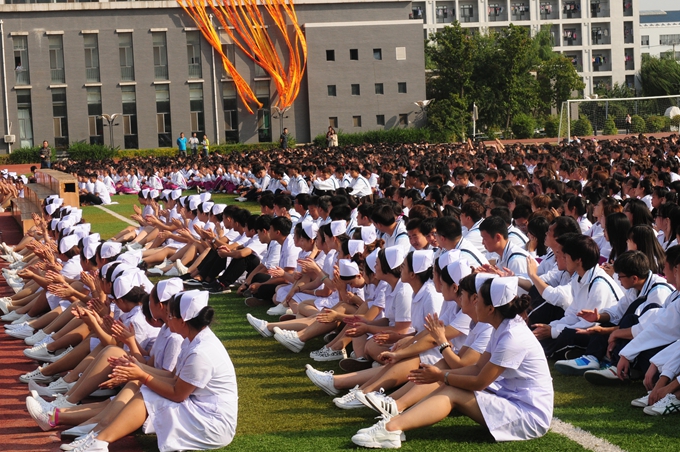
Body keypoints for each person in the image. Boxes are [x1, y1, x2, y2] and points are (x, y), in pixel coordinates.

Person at [350, 277, 553, 448]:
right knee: (449, 383)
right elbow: (476, 368)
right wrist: (441, 375)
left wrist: (441, 375)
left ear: (491, 308)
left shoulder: (511, 336)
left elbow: (478, 382)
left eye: (478, 300)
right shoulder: (502, 327)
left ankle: (391, 428)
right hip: (512, 399)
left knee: (452, 390)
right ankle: (395, 420)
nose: (475, 304)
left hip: (529, 416)